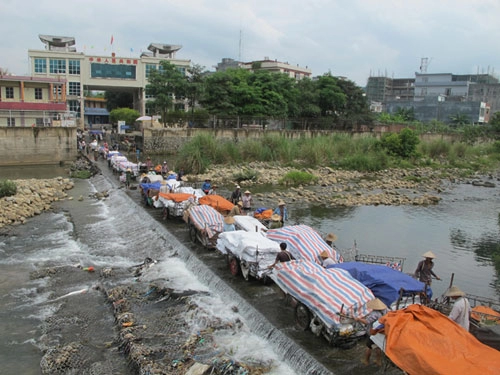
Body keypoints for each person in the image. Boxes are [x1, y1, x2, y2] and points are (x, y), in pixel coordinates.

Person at [355, 298, 388, 367]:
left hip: (373, 332)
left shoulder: (374, 313)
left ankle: (366, 360)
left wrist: (359, 319)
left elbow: (367, 322)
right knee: (378, 346)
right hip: (381, 332)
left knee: (369, 347)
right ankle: (378, 361)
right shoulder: (386, 310)